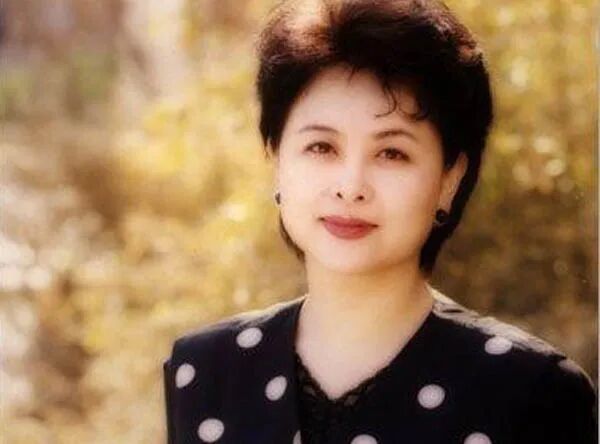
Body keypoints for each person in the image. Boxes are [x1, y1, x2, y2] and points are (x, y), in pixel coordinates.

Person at [162, 0, 598, 443]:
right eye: (321, 148)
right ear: (277, 160)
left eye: (392, 153)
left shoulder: (531, 393)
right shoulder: (205, 372)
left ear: (449, 179)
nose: (351, 187)